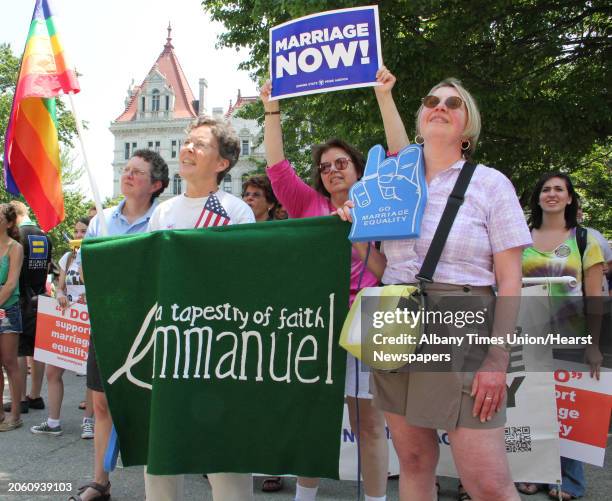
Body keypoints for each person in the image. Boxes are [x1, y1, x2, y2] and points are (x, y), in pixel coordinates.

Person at [338, 68, 532, 501]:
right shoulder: (390, 185)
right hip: (392, 319)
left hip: (463, 324)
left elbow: (510, 278)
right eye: (431, 102)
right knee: (414, 462)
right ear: (422, 118)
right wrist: (356, 234)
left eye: (453, 103)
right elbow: (385, 265)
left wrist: (497, 361)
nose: (440, 107)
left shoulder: (490, 184)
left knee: (487, 483)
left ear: (468, 127)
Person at [260, 81, 389, 501]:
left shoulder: (384, 206)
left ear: (357, 168)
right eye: (325, 167)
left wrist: (355, 233)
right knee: (315, 419)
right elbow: (278, 168)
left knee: (370, 424)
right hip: (318, 319)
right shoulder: (306, 204)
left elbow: (384, 270)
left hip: (369, 319)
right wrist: (271, 110)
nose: (332, 171)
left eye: (341, 164)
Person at [145, 116, 255, 501]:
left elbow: (242, 283)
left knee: (223, 454)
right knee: (160, 452)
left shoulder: (237, 212)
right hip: (169, 344)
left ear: (222, 163)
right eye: (186, 141)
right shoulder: (162, 213)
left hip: (218, 348)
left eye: (200, 144)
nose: (187, 149)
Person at [69, 150, 169, 501]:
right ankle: (100, 481)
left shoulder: (164, 219)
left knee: (150, 405)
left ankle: (155, 485)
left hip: (149, 326)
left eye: (138, 172)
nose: (128, 175)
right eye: (126, 169)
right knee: (101, 404)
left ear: (156, 185)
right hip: (108, 323)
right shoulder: (102, 221)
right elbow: (85, 269)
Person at [519, 173, 604, 500]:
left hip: (571, 337)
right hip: (526, 336)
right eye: (545, 189)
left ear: (569, 198)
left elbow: (594, 297)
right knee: (528, 405)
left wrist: (593, 345)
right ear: (538, 198)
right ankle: (531, 473)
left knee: (569, 408)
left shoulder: (584, 240)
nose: (551, 194)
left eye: (559, 189)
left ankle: (569, 480)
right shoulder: (521, 237)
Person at [30, 217, 94, 438]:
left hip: (89, 321)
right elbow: (60, 287)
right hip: (67, 320)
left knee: (90, 375)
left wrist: (88, 295)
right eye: (76, 231)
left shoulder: (98, 256)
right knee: (53, 371)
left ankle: (88, 421)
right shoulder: (68, 258)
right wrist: (59, 295)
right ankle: (53, 421)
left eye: (84, 231)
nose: (78, 236)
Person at [2, 201, 52, 415]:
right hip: (42, 297)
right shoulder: (44, 235)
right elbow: (49, 267)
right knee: (38, 349)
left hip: (21, 299)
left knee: (20, 351)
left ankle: (21, 399)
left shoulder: (18, 238)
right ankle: (35, 395)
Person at [0, 203, 24, 431]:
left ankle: (15, 415)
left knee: (10, 362)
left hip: (7, 310)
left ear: (8, 223)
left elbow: (10, 284)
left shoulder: (14, 247)